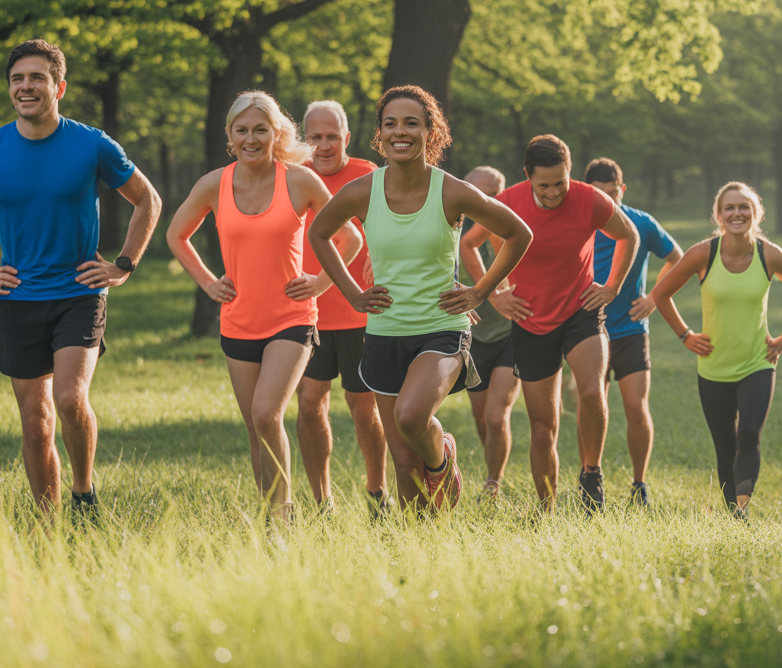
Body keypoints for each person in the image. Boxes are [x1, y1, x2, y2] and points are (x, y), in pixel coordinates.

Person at [0, 39, 163, 513]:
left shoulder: (92, 143)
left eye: (36, 78)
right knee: (35, 422)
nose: (26, 87)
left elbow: (148, 200)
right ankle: (47, 525)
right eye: (18, 79)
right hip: (19, 299)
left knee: (68, 397)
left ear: (58, 87)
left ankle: (84, 493)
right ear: (9, 89)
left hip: (79, 292)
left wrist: (123, 265)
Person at [307, 86, 532, 511]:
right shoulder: (362, 191)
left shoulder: (452, 191)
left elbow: (519, 233)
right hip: (384, 332)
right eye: (390, 124)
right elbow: (320, 233)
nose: (400, 132)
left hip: (441, 329)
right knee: (404, 462)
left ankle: (443, 455)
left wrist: (481, 291)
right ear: (379, 134)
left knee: (411, 417)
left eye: (411, 122)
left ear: (431, 131)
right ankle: (420, 545)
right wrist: (352, 293)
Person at [166, 91, 362, 520]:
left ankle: (284, 514)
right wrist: (208, 282)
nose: (251, 138)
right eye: (242, 130)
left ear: (276, 134)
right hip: (237, 322)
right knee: (257, 431)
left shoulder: (298, 180)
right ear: (230, 135)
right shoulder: (214, 184)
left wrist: (320, 281)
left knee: (266, 412)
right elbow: (176, 234)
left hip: (291, 320)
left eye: (260, 130)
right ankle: (271, 518)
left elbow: (349, 238)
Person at [462, 135, 639, 512]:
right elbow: (468, 244)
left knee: (591, 392)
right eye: (544, 184)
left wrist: (612, 287)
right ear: (527, 176)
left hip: (581, 310)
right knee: (543, 430)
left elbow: (629, 235)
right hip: (531, 320)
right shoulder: (506, 203)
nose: (555, 191)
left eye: (561, 181)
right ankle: (547, 510)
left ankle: (591, 473)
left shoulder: (589, 199)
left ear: (569, 172)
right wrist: (493, 293)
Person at [651, 182, 782, 519]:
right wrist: (685, 335)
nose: (737, 213)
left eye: (744, 207)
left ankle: (741, 507)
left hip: (757, 362)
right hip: (713, 366)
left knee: (749, 433)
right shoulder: (703, 254)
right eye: (730, 208)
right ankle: (732, 518)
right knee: (724, 448)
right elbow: (660, 294)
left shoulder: (769, 254)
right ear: (719, 214)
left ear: (756, 214)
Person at [295, 100, 390, 517]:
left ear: (347, 138)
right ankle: (322, 501)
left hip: (359, 312)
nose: (324, 145)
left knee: (362, 406)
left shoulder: (370, 175)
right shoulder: (294, 177)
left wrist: (380, 251)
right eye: (315, 136)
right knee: (310, 402)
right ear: (303, 139)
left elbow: (397, 223)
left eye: (332, 136)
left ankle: (376, 491)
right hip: (305, 313)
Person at [584, 158, 681, 507]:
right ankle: (589, 479)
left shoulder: (641, 222)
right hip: (587, 330)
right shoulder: (580, 222)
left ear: (622, 190)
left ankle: (639, 485)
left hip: (630, 329)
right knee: (590, 406)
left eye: (613, 193)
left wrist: (654, 297)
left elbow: (678, 259)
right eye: (600, 195)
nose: (608, 201)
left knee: (636, 408)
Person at [459, 166, 523, 499]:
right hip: (472, 339)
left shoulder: (507, 229)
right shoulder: (449, 233)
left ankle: (493, 483)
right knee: (481, 417)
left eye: (494, 194)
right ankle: (492, 467)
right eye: (478, 194)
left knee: (497, 417)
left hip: (510, 335)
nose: (486, 201)